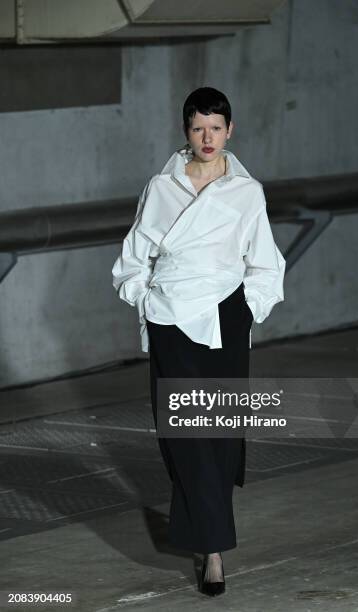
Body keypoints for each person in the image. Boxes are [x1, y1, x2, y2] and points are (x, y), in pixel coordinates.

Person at [112, 86, 286, 597]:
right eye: (197, 128)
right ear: (185, 131)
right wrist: (149, 304)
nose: (207, 138)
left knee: (219, 435)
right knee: (184, 436)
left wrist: (245, 310)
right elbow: (131, 261)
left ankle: (207, 545)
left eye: (216, 128)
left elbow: (266, 264)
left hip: (225, 319)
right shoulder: (160, 188)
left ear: (230, 130)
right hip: (172, 319)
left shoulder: (247, 192)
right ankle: (209, 548)